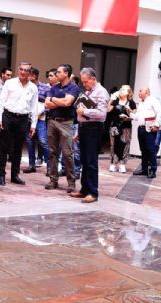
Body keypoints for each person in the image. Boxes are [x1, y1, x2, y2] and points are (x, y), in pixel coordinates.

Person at [0, 61, 38, 186]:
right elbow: (1, 101)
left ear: (30, 73)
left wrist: (34, 125)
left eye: (26, 70)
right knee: (4, 146)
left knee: (18, 148)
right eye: (21, 69)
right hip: (8, 116)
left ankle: (15, 175)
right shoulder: (10, 83)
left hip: (23, 119)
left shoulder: (33, 88)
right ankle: (1, 174)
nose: (23, 72)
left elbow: (34, 107)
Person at [70, 68, 109, 203]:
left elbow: (102, 114)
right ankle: (84, 190)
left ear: (93, 79)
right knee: (84, 161)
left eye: (86, 82)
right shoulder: (88, 92)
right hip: (84, 127)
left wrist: (84, 110)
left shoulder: (101, 92)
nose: (84, 84)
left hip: (94, 129)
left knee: (91, 161)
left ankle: (93, 192)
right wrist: (78, 132)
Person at [44, 64, 80, 193]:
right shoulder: (54, 87)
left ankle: (71, 183)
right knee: (52, 152)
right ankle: (53, 180)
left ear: (66, 73)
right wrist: (59, 101)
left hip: (66, 123)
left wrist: (54, 99)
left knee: (67, 153)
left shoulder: (74, 88)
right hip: (52, 122)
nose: (56, 74)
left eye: (58, 72)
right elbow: (47, 105)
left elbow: (67, 103)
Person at [131, 87, 161, 178]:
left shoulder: (153, 100)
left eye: (140, 91)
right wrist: (129, 114)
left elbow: (160, 112)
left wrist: (156, 125)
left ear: (147, 92)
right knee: (143, 150)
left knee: (151, 150)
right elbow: (137, 117)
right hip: (141, 128)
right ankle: (144, 169)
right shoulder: (141, 103)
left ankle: (153, 170)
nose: (139, 92)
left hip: (149, 128)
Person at [23, 67, 50, 174]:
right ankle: (31, 165)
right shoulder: (25, 87)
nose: (26, 77)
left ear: (34, 76)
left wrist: (42, 110)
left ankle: (50, 167)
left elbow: (48, 104)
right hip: (27, 118)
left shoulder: (45, 87)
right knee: (29, 142)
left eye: (28, 74)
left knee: (43, 141)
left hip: (40, 119)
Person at [107, 85, 136, 173]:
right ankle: (113, 163)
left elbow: (134, 115)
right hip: (114, 126)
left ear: (128, 92)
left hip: (126, 127)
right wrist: (111, 99)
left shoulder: (131, 102)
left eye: (124, 90)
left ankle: (122, 163)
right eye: (121, 89)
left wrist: (128, 113)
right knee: (113, 145)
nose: (121, 91)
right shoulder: (115, 101)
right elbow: (108, 110)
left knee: (124, 145)